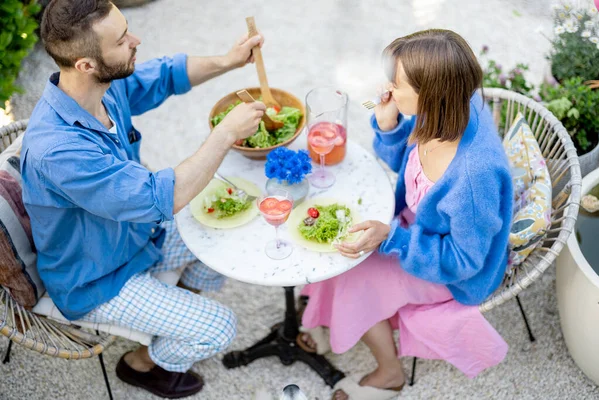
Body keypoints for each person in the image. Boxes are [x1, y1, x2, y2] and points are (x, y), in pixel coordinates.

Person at [21, 0, 266, 398]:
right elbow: (161, 198)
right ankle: (142, 364)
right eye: (122, 40)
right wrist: (224, 133)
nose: (136, 40)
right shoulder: (60, 151)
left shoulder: (99, 87)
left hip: (135, 238)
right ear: (86, 63)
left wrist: (228, 61)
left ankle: (179, 307)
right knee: (219, 327)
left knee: (227, 225)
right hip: (97, 278)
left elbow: (164, 76)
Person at [297, 29, 513, 400]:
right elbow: (410, 167)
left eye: (396, 84)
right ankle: (329, 315)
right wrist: (389, 125)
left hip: (452, 268)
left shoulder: (474, 177)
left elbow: (465, 260)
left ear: (431, 92)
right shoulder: (445, 108)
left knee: (351, 269)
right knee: (343, 243)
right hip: (419, 229)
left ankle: (390, 373)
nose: (387, 89)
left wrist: (392, 237)